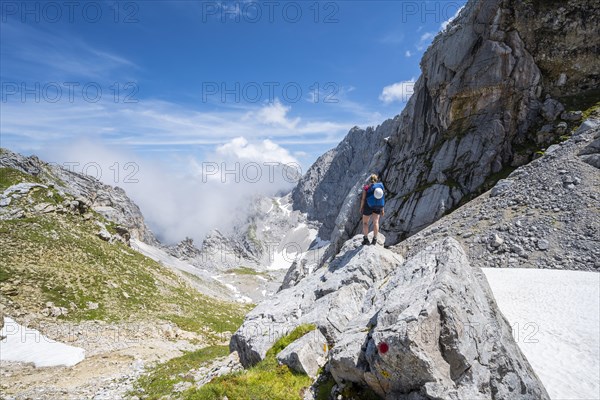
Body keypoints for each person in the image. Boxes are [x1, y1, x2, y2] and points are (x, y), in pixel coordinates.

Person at [360, 174, 385, 245]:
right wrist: (382, 209)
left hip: (368, 206)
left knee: (365, 223)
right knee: (376, 222)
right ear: (377, 180)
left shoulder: (366, 188)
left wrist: (361, 207)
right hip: (378, 206)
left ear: (369, 180)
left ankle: (366, 239)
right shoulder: (380, 186)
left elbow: (363, 199)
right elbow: (382, 198)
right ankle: (374, 239)